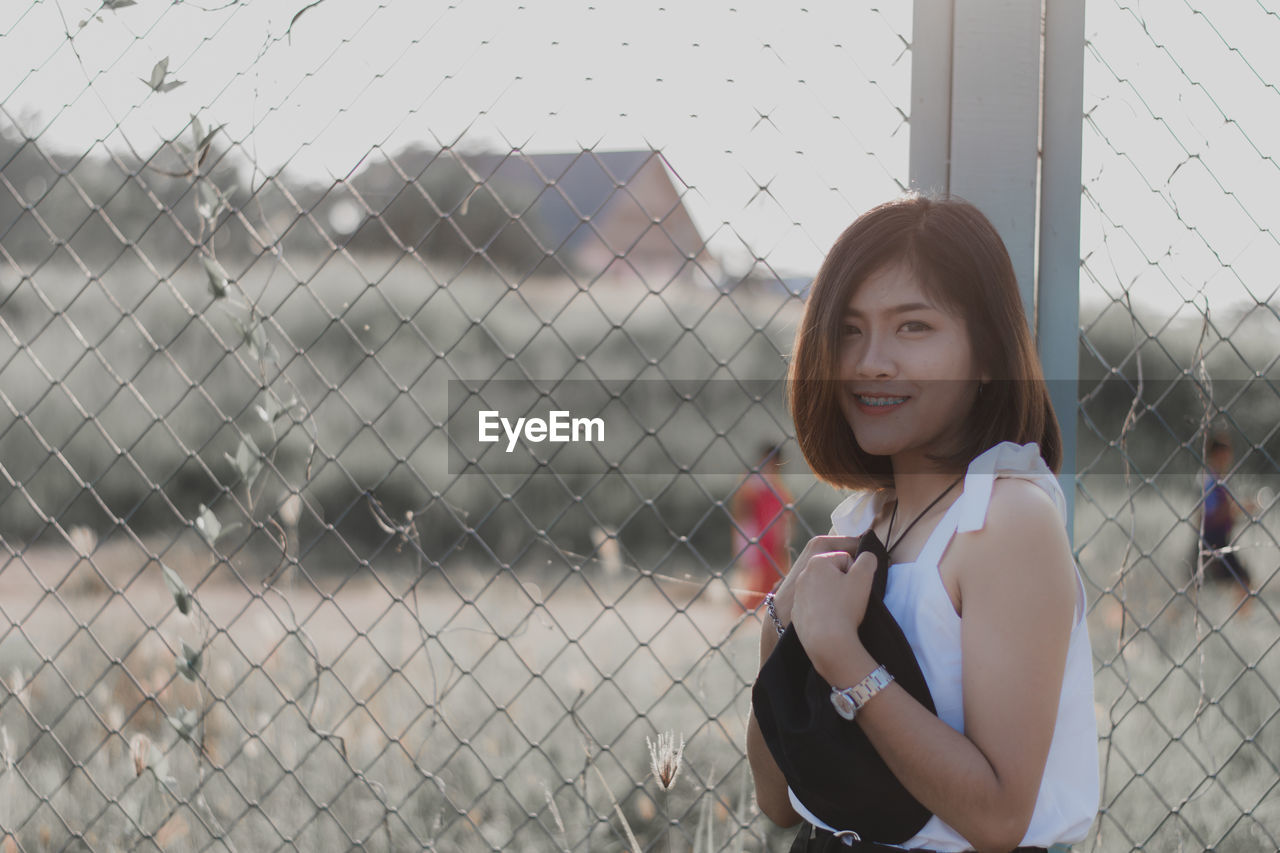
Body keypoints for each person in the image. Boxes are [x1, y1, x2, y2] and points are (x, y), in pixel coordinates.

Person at [746, 194, 1100, 852]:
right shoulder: (864, 516)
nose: (871, 360)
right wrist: (781, 626)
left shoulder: (1004, 517)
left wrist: (842, 656)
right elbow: (782, 802)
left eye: (913, 326)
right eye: (849, 329)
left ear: (988, 352)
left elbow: (998, 819)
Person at [1191, 435, 1254, 607]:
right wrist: (1239, 508)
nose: (1228, 458)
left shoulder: (1218, 479)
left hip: (1217, 540)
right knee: (1244, 581)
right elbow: (1210, 515)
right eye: (1225, 453)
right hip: (1213, 541)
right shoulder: (1209, 480)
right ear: (1215, 454)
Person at [731, 443, 794, 611]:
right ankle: (739, 618)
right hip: (760, 541)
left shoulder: (775, 485)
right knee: (760, 585)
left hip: (772, 543)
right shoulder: (754, 482)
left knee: (771, 585)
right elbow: (744, 513)